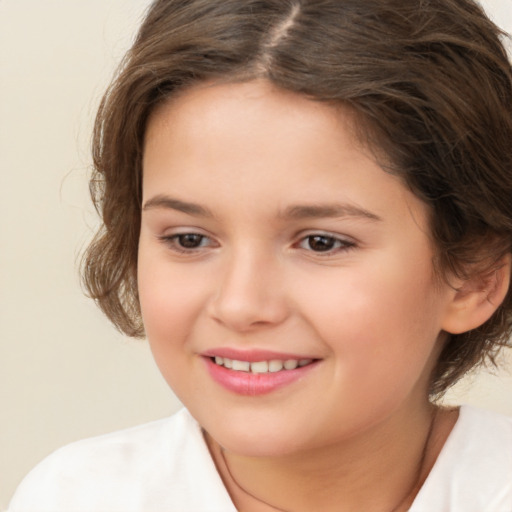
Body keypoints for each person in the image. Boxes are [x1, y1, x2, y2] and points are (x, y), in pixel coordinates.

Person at [8, 0, 512, 510]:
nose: (241, 305)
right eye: (189, 239)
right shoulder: (76, 497)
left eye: (321, 242)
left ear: (475, 276)